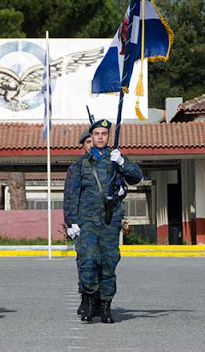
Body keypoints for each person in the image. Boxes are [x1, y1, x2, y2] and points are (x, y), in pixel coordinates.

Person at [67, 119, 142, 324]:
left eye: (104, 134)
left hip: (110, 219)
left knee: (109, 264)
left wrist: (123, 163)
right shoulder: (82, 163)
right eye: (97, 134)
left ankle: (106, 306)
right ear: (92, 137)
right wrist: (72, 221)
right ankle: (90, 301)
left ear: (109, 136)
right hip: (88, 220)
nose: (100, 137)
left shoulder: (116, 158)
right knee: (88, 260)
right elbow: (74, 194)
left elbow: (137, 177)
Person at [64, 129, 94, 316]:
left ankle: (100, 301)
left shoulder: (110, 163)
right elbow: (70, 195)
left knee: (103, 263)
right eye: (88, 142)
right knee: (85, 261)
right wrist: (70, 222)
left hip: (104, 222)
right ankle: (86, 298)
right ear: (83, 145)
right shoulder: (77, 167)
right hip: (83, 221)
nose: (91, 144)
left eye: (94, 141)